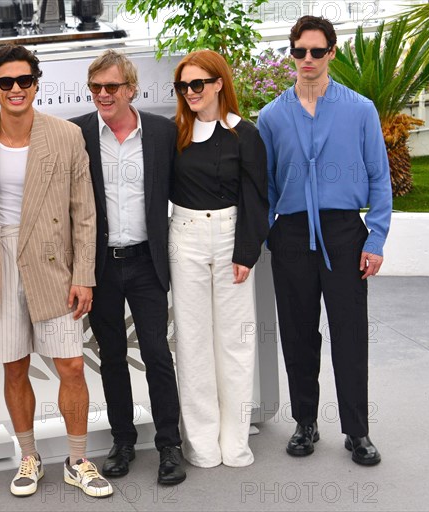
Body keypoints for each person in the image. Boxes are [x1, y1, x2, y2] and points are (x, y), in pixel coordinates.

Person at [0, 44, 113, 498]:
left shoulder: (66, 135)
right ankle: (28, 456)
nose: (15, 89)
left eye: (24, 81)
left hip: (52, 260)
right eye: (5, 82)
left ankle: (78, 459)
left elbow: (84, 212)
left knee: (70, 364)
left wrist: (83, 273)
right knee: (13, 367)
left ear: (35, 84)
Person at [257, 15, 392, 465]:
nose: (308, 60)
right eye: (300, 52)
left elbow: (379, 176)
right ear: (291, 54)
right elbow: (268, 186)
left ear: (332, 52)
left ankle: (357, 431)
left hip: (343, 233)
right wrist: (268, 233)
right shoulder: (273, 115)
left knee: (350, 333)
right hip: (292, 234)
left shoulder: (360, 109)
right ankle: (305, 423)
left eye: (317, 51)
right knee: (297, 334)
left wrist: (375, 239)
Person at [70, 49, 186, 485]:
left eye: (112, 87)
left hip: (146, 261)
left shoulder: (160, 132)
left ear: (131, 89)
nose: (103, 94)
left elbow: (187, 186)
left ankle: (169, 445)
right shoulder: (77, 133)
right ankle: (122, 441)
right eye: (96, 87)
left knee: (157, 354)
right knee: (112, 357)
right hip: (99, 266)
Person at [169, 49, 269, 468]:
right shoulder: (174, 133)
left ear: (218, 84)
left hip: (230, 238)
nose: (190, 92)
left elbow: (257, 195)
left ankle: (235, 440)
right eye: (183, 86)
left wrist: (246, 251)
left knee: (235, 343)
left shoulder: (244, 133)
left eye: (198, 84)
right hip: (186, 238)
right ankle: (202, 443)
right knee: (192, 342)